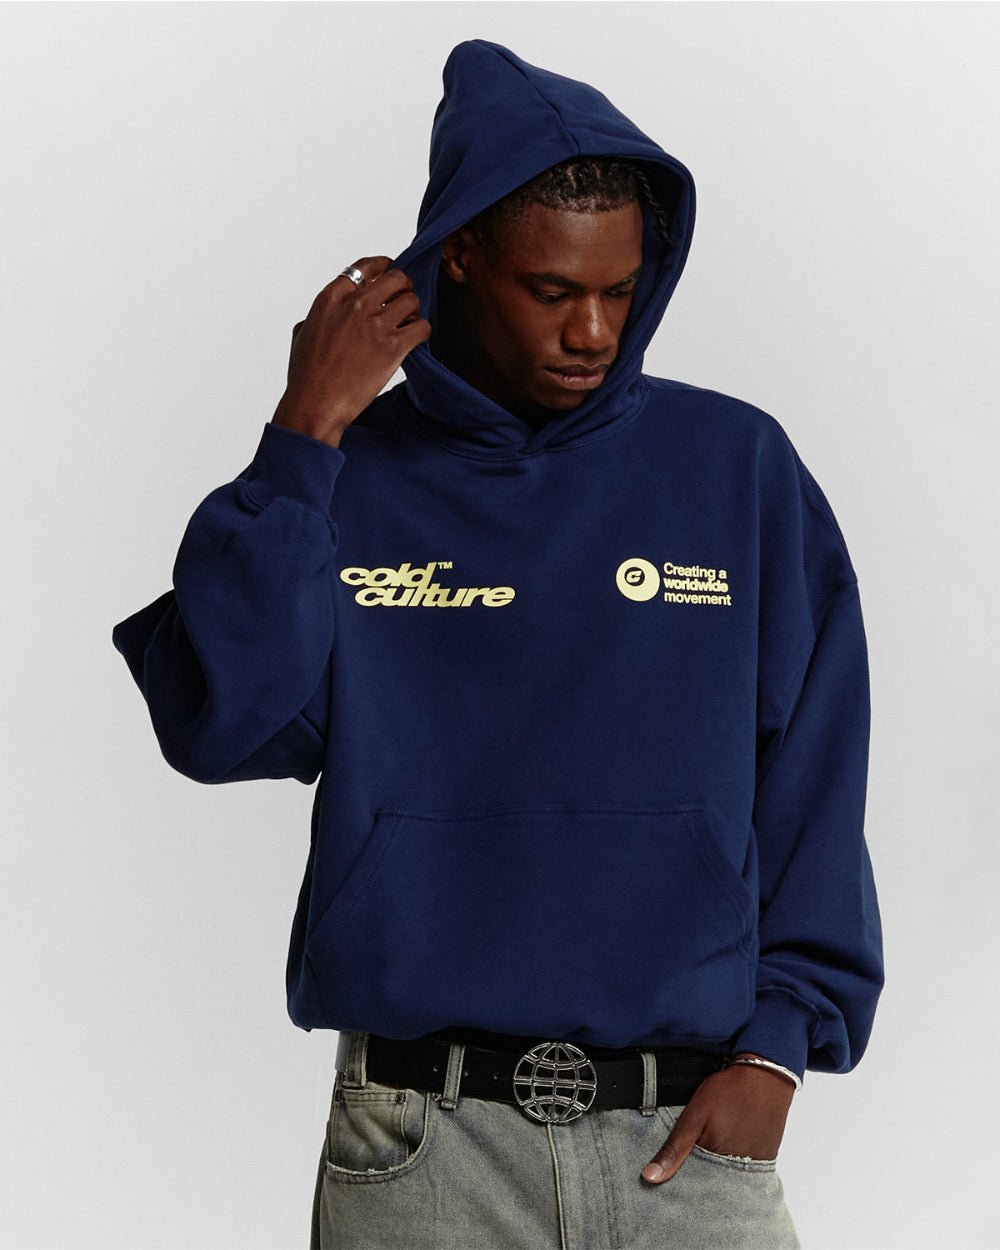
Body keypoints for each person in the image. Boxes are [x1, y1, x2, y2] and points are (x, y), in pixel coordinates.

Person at [111, 39, 884, 1250]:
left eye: (619, 289)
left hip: (686, 1136)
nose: (594, 329)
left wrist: (780, 1046)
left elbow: (815, 773)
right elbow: (223, 724)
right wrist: (305, 432)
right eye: (551, 290)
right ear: (459, 255)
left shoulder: (735, 470)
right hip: (423, 1143)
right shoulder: (347, 480)